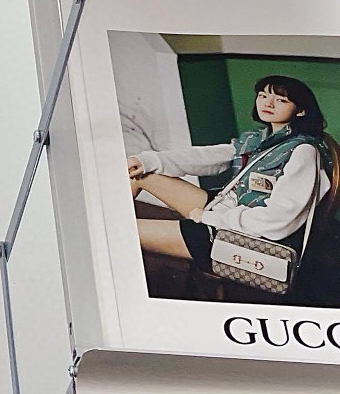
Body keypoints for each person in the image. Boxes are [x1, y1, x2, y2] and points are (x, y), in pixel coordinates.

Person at [128, 76, 334, 298]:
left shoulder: (303, 151)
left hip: (239, 238)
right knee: (140, 174)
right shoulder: (260, 139)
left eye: (281, 100)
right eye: (263, 96)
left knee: (124, 232)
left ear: (301, 110)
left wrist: (212, 218)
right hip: (225, 211)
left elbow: (278, 221)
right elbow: (208, 157)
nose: (268, 103)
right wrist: (148, 161)